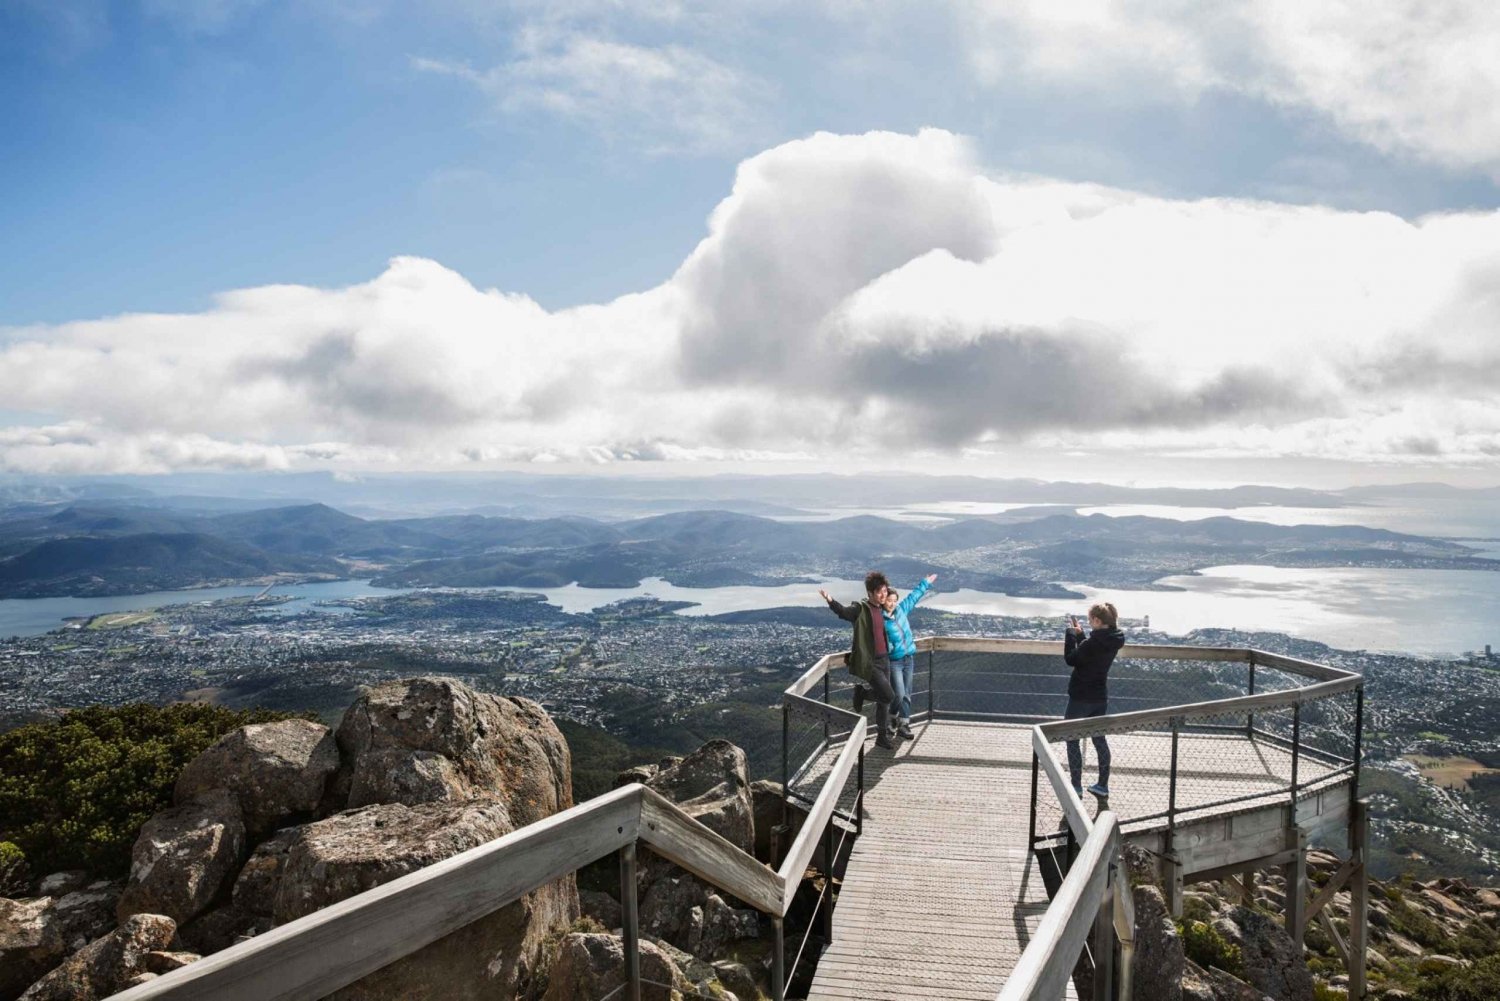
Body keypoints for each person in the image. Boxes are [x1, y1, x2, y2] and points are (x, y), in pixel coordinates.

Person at [819, 572, 898, 750]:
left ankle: (881, 736)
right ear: (870, 593)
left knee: (884, 702)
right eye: (879, 592)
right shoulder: (861, 609)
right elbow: (844, 613)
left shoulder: (881, 608)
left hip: (884, 658)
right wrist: (830, 600)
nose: (883, 595)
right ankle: (862, 693)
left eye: (885, 591)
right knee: (889, 696)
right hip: (870, 662)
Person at [1063, 602, 1125, 798]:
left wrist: (1070, 635)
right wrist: (1081, 635)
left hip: (1081, 696)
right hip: (1099, 696)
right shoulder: (1114, 639)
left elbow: (1072, 659)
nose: (1090, 624)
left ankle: (1076, 786)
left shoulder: (1092, 644)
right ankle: (1102, 785)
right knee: (1099, 738)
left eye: (1090, 621)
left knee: (1072, 738)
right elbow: (1091, 651)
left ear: (1098, 621)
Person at [881, 573, 937, 739]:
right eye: (889, 600)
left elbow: (914, 597)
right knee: (898, 693)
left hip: (908, 658)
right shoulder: (880, 620)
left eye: (894, 600)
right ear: (883, 601)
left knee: (907, 693)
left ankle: (904, 724)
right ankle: (891, 718)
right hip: (895, 661)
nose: (892, 604)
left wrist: (925, 583)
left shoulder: (901, 610)